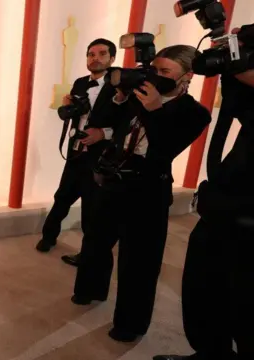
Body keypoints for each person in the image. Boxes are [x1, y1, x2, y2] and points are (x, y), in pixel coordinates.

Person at [72, 45, 211, 343]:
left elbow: (165, 148)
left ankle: (130, 324)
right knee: (95, 240)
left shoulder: (195, 113)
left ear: (186, 76)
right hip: (114, 176)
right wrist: (119, 101)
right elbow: (118, 126)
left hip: (148, 186)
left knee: (139, 262)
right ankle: (90, 290)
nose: (156, 77)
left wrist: (155, 109)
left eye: (165, 72)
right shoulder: (139, 94)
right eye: (154, 70)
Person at [154, 28, 254, 360]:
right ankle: (211, 352)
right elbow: (240, 109)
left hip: (245, 217)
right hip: (226, 208)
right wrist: (233, 71)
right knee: (205, 288)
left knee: (244, 300)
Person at [36, 38, 120, 268]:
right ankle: (48, 236)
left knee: (91, 208)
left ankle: (87, 254)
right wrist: (68, 107)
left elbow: (126, 122)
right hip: (77, 152)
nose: (95, 58)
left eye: (102, 54)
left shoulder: (119, 86)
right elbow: (78, 114)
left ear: (112, 59)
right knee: (62, 197)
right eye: (91, 54)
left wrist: (104, 133)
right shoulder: (81, 82)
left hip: (100, 156)